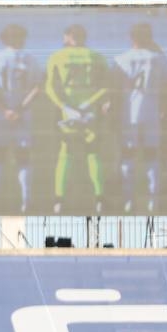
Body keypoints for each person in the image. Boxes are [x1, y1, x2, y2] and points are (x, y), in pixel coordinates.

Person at [46, 24, 109, 213]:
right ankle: (100, 199)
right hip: (90, 112)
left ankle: (59, 200)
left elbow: (50, 87)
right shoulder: (97, 57)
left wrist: (65, 107)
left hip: (68, 112)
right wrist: (87, 105)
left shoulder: (57, 56)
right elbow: (106, 86)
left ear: (67, 36)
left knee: (65, 153)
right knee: (93, 152)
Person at [0, 23, 42, 213]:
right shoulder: (32, 60)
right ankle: (26, 202)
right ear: (22, 38)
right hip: (23, 115)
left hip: (1, 116)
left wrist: (5, 109)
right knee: (23, 159)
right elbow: (37, 88)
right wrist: (19, 109)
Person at [113, 23, 167, 213]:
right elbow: (166, 84)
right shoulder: (158, 58)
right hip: (151, 112)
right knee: (151, 155)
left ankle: (129, 200)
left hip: (129, 113)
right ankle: (154, 200)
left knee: (128, 156)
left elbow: (116, 90)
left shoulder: (121, 59)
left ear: (131, 38)